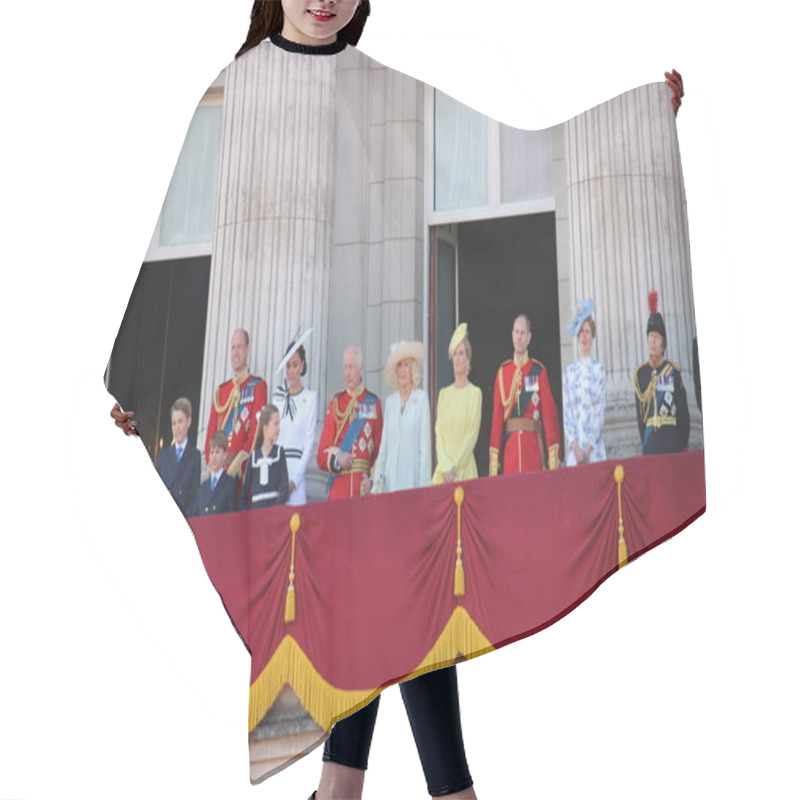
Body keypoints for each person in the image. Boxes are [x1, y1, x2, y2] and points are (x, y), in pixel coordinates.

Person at [489, 314, 560, 476]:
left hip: (533, 452)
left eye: (522, 333)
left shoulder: (538, 371)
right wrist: (494, 466)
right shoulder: (503, 374)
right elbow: (497, 422)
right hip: (511, 454)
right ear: (512, 335)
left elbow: (549, 418)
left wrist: (553, 461)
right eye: (516, 332)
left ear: (529, 338)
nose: (519, 337)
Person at [316, 344, 383, 501]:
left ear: (361, 368)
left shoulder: (373, 403)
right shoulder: (336, 404)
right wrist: (338, 458)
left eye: (351, 367)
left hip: (363, 490)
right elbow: (321, 454)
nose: (347, 373)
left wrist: (372, 480)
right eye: (345, 368)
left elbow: (380, 451)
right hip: (339, 488)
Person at [205, 328, 268, 480]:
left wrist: (237, 465)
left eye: (239, 347)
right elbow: (210, 436)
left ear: (247, 349)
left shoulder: (258, 386)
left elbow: (255, 434)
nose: (235, 352)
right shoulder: (221, 391)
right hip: (217, 474)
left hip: (241, 475)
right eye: (233, 348)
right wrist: (213, 467)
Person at [633, 291, 690, 454]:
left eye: (656, 337)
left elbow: (682, 409)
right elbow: (640, 415)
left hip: (671, 439)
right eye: (650, 337)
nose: (652, 341)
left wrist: (683, 440)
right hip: (650, 441)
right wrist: (644, 439)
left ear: (663, 343)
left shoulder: (672, 372)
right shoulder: (641, 374)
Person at [371, 341, 431, 493]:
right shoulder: (390, 402)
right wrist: (376, 485)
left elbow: (425, 450)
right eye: (400, 366)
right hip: (390, 484)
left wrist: (424, 489)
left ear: (414, 369)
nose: (403, 371)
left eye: (406, 365)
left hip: (413, 483)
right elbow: (383, 448)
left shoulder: (422, 398)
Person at [431, 324, 482, 485]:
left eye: (461, 353)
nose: (458, 358)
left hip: (464, 471)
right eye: (455, 354)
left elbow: (471, 436)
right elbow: (438, 433)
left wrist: (454, 468)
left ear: (468, 360)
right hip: (443, 473)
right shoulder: (444, 394)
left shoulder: (475, 393)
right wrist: (446, 466)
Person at [273, 330, 319, 506]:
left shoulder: (310, 398)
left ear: (302, 366)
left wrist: (294, 481)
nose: (291, 370)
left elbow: (308, 445)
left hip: (296, 476)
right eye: (288, 366)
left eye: (295, 365)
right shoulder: (278, 399)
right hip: (276, 473)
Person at [562, 300, 607, 466]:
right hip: (575, 452)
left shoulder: (599, 370)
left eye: (588, 332)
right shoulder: (569, 372)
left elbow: (599, 412)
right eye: (581, 331)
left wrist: (587, 449)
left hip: (593, 450)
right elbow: (567, 413)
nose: (584, 336)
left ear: (593, 336)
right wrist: (575, 448)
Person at [155, 397, 201, 517]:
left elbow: (195, 495)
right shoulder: (163, 456)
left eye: (180, 421)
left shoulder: (195, 456)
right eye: (174, 423)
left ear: (189, 421)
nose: (176, 427)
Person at [240, 404, 289, 510]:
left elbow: (284, 489)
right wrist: (248, 517)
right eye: (275, 424)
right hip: (256, 518)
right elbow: (244, 495)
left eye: (278, 424)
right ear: (265, 428)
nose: (278, 428)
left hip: (274, 517)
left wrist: (274, 513)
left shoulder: (279, 453)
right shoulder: (254, 457)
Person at [193, 431, 238, 516]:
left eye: (217, 452)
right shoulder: (202, 488)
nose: (213, 456)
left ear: (225, 455)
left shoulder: (230, 484)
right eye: (212, 452)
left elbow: (232, 516)